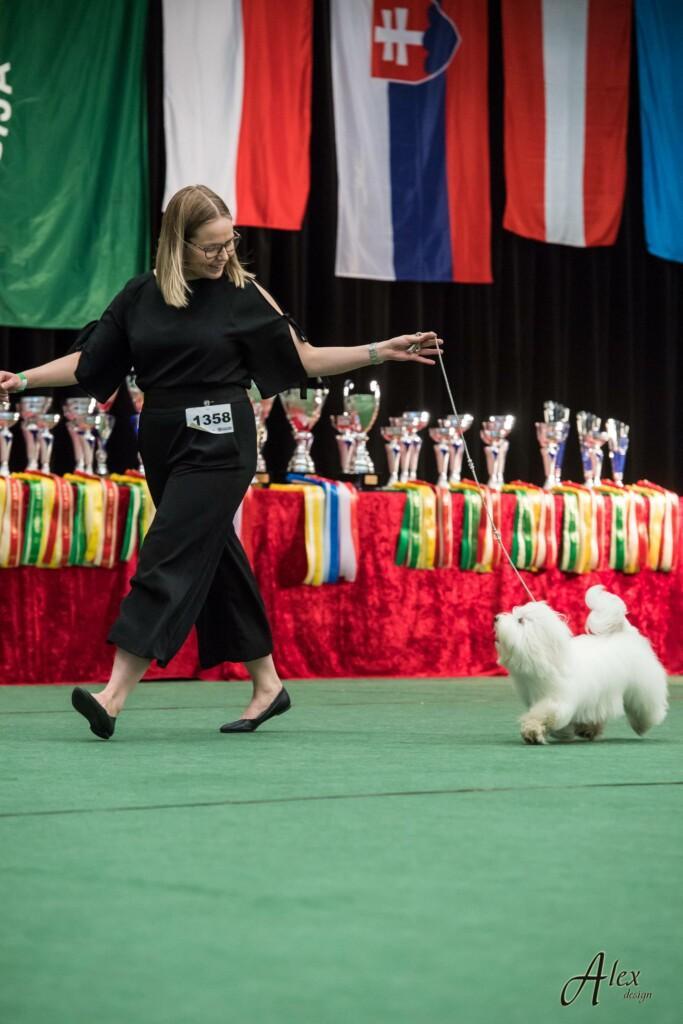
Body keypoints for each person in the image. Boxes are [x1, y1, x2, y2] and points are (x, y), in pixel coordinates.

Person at [0, 184, 443, 739]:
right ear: (176, 245)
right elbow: (92, 361)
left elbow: (303, 359)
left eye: (229, 242)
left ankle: (112, 696)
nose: (224, 255)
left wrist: (380, 350)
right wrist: (22, 379)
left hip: (221, 443)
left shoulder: (245, 295)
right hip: (162, 443)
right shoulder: (141, 296)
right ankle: (268, 685)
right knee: (216, 560)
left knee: (167, 554)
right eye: (211, 247)